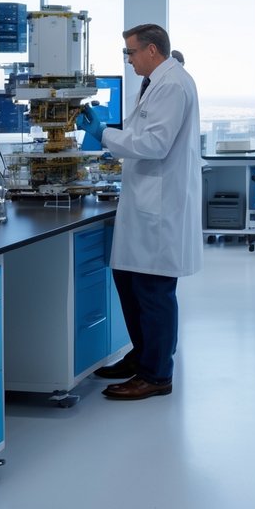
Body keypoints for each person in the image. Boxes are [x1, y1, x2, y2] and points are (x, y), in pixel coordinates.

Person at [76, 23, 202, 401]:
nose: (127, 60)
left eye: (130, 53)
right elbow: (141, 133)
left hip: (159, 207)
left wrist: (104, 135)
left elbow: (156, 143)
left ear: (151, 50)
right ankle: (144, 355)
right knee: (130, 281)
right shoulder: (156, 83)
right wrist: (111, 134)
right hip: (146, 201)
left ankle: (157, 374)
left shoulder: (174, 84)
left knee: (153, 291)